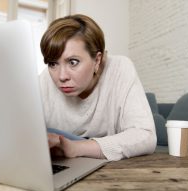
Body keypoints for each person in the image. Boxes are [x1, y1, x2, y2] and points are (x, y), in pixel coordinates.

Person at [39, 14, 156, 161]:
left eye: (73, 62)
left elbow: (145, 135)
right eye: (53, 63)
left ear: (97, 60)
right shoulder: (45, 79)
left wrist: (75, 148)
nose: (61, 76)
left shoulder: (119, 69)